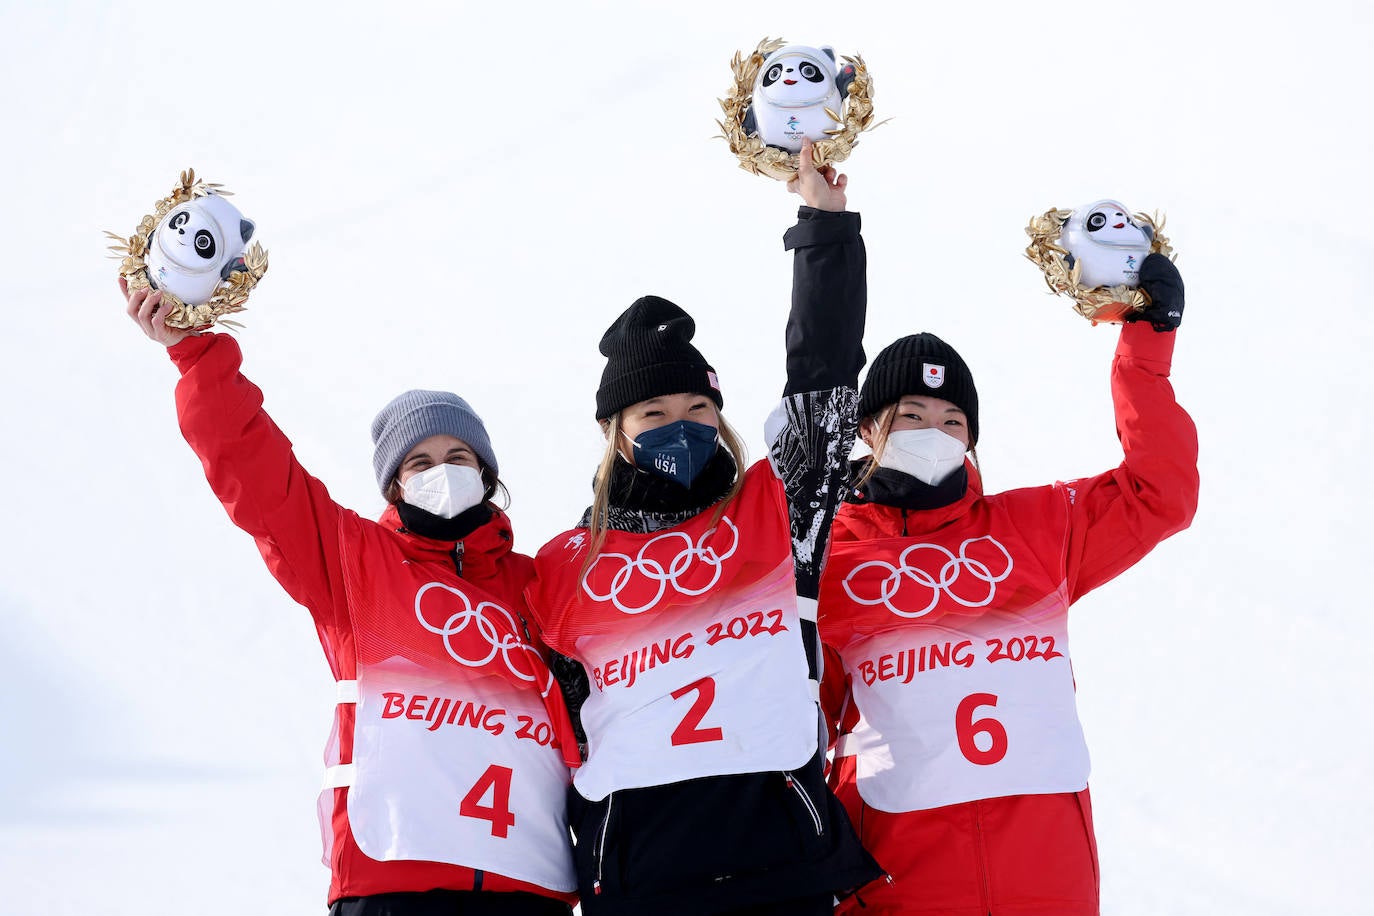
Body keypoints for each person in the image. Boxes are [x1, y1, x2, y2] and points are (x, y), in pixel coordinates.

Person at [124, 279, 580, 916]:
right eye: (419, 464)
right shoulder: (352, 561)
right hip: (392, 882)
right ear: (393, 485)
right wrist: (196, 356)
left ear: (487, 476)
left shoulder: (540, 585)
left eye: (458, 456)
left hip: (526, 887)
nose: (442, 471)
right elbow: (254, 470)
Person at [523, 141, 882, 915]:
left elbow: (823, 377)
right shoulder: (564, 564)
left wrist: (824, 226)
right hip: (643, 875)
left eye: (697, 410)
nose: (679, 426)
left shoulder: (775, 509)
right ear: (615, 431)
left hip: (780, 861)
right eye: (654, 413)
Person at [817, 254, 1199, 915]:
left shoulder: (1038, 529)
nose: (933, 433)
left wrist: (1145, 349)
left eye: (952, 421)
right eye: (911, 415)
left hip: (1046, 884)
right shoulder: (829, 563)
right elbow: (790, 727)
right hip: (895, 887)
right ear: (868, 428)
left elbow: (1159, 492)